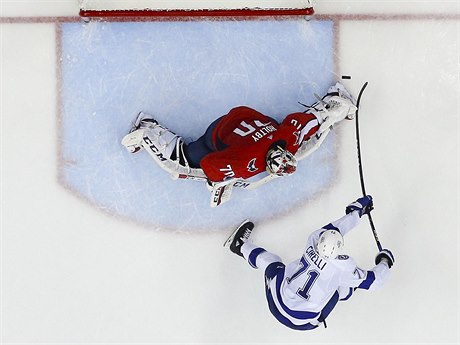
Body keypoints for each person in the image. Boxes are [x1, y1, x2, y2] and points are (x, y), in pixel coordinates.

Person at [121, 82, 357, 206]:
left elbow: (312, 119)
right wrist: (219, 184)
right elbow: (209, 166)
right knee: (183, 160)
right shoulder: (246, 162)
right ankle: (146, 128)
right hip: (222, 130)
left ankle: (338, 99)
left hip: (248, 117)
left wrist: (334, 107)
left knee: (288, 129)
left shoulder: (290, 138)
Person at [223, 195, 395, 330]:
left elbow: (335, 228)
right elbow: (375, 281)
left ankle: (240, 247)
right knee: (343, 289)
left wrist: (356, 211)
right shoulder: (343, 267)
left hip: (277, 300)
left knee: (271, 262)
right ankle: (345, 293)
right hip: (302, 321)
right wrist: (385, 261)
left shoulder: (314, 239)